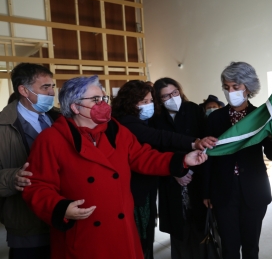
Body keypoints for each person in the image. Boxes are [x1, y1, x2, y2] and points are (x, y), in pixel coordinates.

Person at [21, 75, 208, 259]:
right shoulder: (51, 140)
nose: (103, 104)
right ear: (75, 106)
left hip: (121, 231)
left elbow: (144, 157)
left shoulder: (116, 131)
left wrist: (183, 160)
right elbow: (36, 185)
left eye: (104, 98)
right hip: (84, 235)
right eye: (96, 99)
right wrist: (60, 208)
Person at [110, 80, 217, 259]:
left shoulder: (191, 110)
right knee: (142, 237)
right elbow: (160, 138)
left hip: (153, 184)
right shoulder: (128, 123)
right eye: (144, 101)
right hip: (138, 189)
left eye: (150, 100)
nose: (149, 105)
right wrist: (192, 145)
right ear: (131, 102)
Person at [203, 62, 272, 259]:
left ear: (248, 87)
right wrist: (206, 191)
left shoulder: (260, 117)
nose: (230, 92)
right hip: (223, 191)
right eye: (226, 87)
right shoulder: (215, 119)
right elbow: (207, 158)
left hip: (254, 190)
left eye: (235, 87)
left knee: (251, 247)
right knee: (229, 247)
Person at [0, 63, 56, 259]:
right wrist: (12, 178)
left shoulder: (59, 119)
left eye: (52, 87)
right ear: (24, 90)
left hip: (60, 215)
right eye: (45, 88)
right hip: (26, 223)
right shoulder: (3, 127)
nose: (52, 93)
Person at [151, 77, 208, 259]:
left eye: (174, 93)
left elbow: (204, 140)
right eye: (166, 96)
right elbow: (155, 150)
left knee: (200, 225)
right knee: (178, 228)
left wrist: (192, 169)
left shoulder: (194, 109)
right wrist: (176, 172)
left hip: (197, 175)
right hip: (170, 177)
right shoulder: (155, 117)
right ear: (159, 100)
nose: (172, 98)